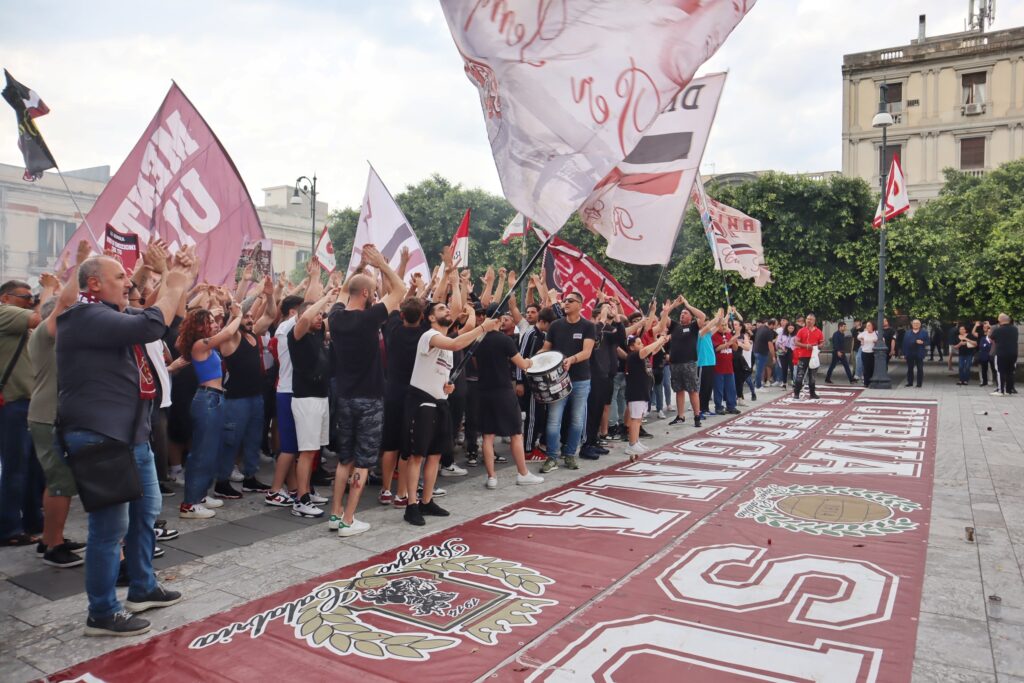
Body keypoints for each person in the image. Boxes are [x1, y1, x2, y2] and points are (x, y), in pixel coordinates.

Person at [57, 250, 193, 636]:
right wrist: (176, 282)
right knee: (109, 526)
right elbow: (151, 324)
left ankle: (142, 586)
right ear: (94, 283)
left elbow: (158, 315)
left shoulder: (112, 316)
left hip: (131, 434)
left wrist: (172, 274)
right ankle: (101, 612)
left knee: (146, 511)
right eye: (120, 277)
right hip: (102, 435)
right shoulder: (83, 316)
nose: (129, 282)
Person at [328, 245, 406, 537]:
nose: (375, 296)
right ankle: (349, 518)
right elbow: (400, 289)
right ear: (365, 295)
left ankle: (335, 514)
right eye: (372, 292)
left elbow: (342, 293)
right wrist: (382, 265)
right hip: (370, 398)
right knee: (362, 462)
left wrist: (360, 269)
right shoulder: (370, 317)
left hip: (345, 396)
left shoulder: (335, 317)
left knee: (344, 459)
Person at [27, 247, 90, 566]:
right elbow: (64, 302)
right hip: (46, 417)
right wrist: (80, 265)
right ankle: (53, 547)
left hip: (54, 416)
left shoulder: (57, 338)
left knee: (58, 481)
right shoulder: (45, 333)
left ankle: (52, 537)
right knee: (61, 482)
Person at [175, 303, 243, 518]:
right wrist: (238, 315)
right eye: (210, 322)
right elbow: (228, 332)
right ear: (200, 327)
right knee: (202, 452)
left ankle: (200, 495)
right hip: (208, 399)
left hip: (214, 398)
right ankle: (189, 503)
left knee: (211, 451)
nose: (214, 324)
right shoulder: (200, 345)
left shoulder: (206, 346)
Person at [219, 278, 276, 496]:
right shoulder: (230, 338)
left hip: (255, 398)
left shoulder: (252, 335)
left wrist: (270, 296)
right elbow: (230, 326)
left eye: (252, 316)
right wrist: (237, 312)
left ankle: (250, 477)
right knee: (231, 442)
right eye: (247, 317)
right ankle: (222, 482)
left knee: (253, 440)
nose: (251, 319)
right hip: (236, 400)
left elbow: (270, 315)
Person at [287, 286, 339, 518]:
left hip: (320, 397)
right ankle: (301, 499)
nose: (320, 318)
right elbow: (306, 316)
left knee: (314, 450)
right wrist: (324, 297)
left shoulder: (317, 334)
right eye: (318, 314)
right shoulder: (296, 335)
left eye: (322, 315)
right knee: (306, 452)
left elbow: (336, 313)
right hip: (306, 399)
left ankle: (308, 490)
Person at [0, 279, 44, 547]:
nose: (30, 301)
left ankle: (32, 521)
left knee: (33, 469)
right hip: (13, 403)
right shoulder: (4, 313)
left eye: (31, 297)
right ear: (5, 298)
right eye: (24, 297)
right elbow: (41, 318)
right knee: (15, 468)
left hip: (27, 402)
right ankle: (8, 528)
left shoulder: (16, 318)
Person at [539, 292, 595, 473]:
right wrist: (533, 360)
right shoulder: (555, 325)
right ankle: (552, 457)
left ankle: (570, 454)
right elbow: (546, 349)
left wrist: (571, 359)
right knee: (554, 420)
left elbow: (587, 352)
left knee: (577, 420)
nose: (566, 303)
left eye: (570, 301)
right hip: (557, 380)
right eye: (564, 300)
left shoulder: (588, 326)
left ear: (580, 304)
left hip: (581, 380)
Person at [624, 333, 670, 458]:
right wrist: (659, 340)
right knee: (635, 418)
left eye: (641, 343)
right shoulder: (634, 356)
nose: (642, 345)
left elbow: (653, 350)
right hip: (636, 392)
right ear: (632, 347)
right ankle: (631, 444)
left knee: (639, 418)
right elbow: (648, 349)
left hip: (643, 391)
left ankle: (636, 441)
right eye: (638, 343)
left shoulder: (642, 356)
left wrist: (661, 342)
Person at [663, 296, 705, 428]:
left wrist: (687, 304)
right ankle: (680, 416)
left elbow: (702, 316)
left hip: (689, 363)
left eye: (685, 313)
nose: (682, 314)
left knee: (693, 390)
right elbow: (663, 316)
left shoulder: (693, 327)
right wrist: (673, 305)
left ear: (690, 317)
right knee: (679, 390)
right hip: (675, 364)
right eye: (681, 313)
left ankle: (697, 416)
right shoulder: (674, 326)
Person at [711, 312, 739, 415]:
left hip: (729, 367)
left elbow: (735, 348)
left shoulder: (728, 334)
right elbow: (717, 348)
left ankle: (731, 406)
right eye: (721, 325)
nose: (723, 327)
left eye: (725, 325)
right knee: (718, 389)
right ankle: (719, 407)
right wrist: (728, 343)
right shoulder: (714, 336)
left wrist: (734, 338)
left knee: (731, 388)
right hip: (718, 367)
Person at [792, 313, 824, 400]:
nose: (808, 321)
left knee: (812, 376)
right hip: (803, 356)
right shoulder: (801, 331)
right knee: (800, 375)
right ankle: (796, 393)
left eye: (810, 319)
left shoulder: (819, 331)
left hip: (813, 357)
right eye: (807, 319)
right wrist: (806, 346)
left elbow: (821, 343)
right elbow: (796, 342)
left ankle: (812, 393)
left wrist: (819, 346)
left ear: (814, 321)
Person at [990, 314, 1018, 396]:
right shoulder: (1015, 329)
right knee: (1010, 371)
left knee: (1000, 371)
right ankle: (1009, 390)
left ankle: (1000, 390)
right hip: (1013, 353)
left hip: (1001, 353)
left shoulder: (998, 330)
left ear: (1000, 320)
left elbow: (992, 339)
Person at [902, 318, 929, 388]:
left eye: (917, 323)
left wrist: (922, 342)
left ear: (920, 325)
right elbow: (904, 343)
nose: (916, 325)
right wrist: (904, 354)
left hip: (919, 353)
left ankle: (919, 384)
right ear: (912, 324)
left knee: (920, 369)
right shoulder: (907, 332)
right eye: (914, 323)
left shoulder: (924, 332)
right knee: (910, 368)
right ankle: (910, 382)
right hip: (909, 353)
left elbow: (928, 342)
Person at [752, 319, 776, 390]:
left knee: (758, 369)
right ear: (772, 324)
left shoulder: (760, 328)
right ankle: (758, 386)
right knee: (760, 369)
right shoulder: (768, 331)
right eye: (774, 325)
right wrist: (773, 356)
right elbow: (770, 345)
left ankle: (758, 384)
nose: (774, 327)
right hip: (762, 352)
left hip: (756, 351)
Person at [774, 322, 796, 389]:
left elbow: (797, 343)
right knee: (784, 367)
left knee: (792, 367)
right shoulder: (782, 333)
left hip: (792, 351)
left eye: (792, 328)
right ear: (787, 328)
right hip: (783, 350)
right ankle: (784, 382)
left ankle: (793, 381)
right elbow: (778, 342)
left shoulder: (796, 335)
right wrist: (782, 347)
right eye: (789, 328)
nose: (791, 329)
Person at [858, 321, 878, 387]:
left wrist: (876, 342)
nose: (867, 327)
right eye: (867, 325)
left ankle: (871, 381)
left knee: (872, 368)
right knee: (866, 368)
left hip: (872, 353)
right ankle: (866, 383)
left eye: (869, 325)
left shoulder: (876, 333)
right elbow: (858, 336)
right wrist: (862, 340)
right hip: (865, 352)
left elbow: (882, 339)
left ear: (872, 326)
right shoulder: (864, 333)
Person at [976, 321, 994, 387]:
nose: (989, 333)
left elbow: (989, 346)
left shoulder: (993, 339)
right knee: (983, 369)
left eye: (990, 332)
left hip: (991, 356)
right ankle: (984, 381)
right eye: (988, 332)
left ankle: (991, 381)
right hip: (984, 356)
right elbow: (981, 346)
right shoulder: (983, 338)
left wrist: (987, 346)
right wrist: (988, 346)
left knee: (991, 369)